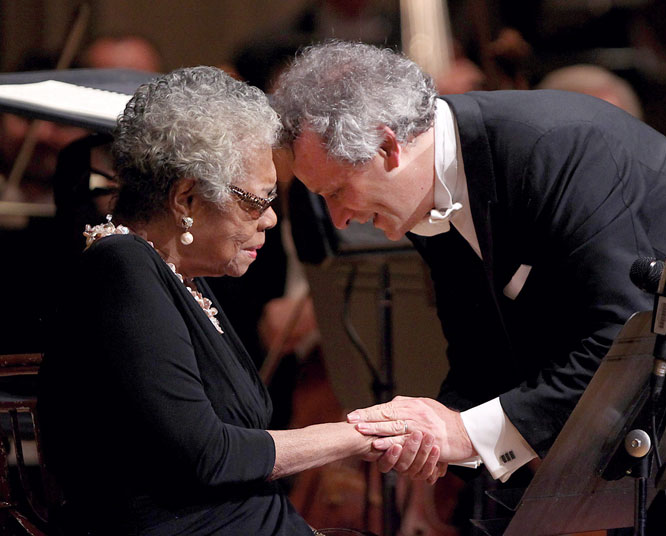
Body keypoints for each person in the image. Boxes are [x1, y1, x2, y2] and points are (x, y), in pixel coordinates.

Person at [270, 41, 666, 534]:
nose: (339, 219)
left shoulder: (555, 146)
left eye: (337, 191)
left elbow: (624, 334)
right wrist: (437, 432)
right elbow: (482, 351)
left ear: (389, 147)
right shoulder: (423, 195)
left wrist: (465, 433)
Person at [38, 66, 436, 536]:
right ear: (185, 198)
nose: (269, 219)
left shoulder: (176, 272)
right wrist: (360, 435)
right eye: (256, 201)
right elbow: (209, 455)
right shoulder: (122, 266)